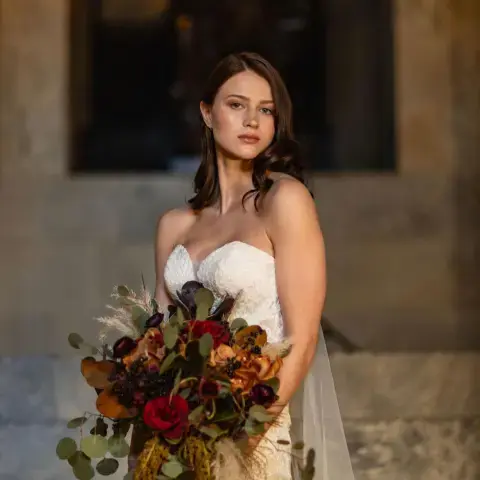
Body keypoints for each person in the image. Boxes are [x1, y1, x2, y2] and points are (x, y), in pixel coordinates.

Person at [149, 52, 354, 479]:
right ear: (207, 113)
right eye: (236, 105)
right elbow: (157, 348)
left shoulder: (284, 201)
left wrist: (244, 441)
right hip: (176, 444)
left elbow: (301, 340)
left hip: (253, 435)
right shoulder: (173, 226)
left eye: (266, 110)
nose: (252, 121)